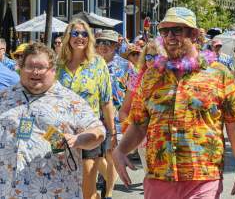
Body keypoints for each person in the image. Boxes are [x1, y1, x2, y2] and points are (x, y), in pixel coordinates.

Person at [113, 7, 235, 199]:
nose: (169, 36)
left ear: (193, 34)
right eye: (164, 31)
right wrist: (120, 150)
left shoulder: (219, 74)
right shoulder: (151, 76)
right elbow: (138, 124)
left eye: (177, 30)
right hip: (159, 177)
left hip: (203, 177)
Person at [0, 43, 105, 199]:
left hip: (56, 192)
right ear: (20, 68)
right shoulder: (5, 97)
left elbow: (98, 132)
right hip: (9, 191)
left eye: (41, 67)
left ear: (53, 70)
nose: (35, 72)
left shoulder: (70, 101)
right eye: (29, 66)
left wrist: (78, 139)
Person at [57, 19, 115, 199]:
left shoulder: (98, 64)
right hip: (61, 132)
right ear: (68, 37)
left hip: (90, 132)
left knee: (87, 187)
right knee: (62, 185)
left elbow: (106, 101)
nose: (79, 37)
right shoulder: (57, 65)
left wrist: (112, 133)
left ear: (89, 38)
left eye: (84, 34)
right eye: (75, 33)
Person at [95, 29, 135, 199]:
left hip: (117, 117)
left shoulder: (126, 66)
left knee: (111, 155)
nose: (104, 46)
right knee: (94, 155)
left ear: (116, 45)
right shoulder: (90, 64)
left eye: (108, 43)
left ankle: (108, 193)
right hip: (93, 117)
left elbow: (135, 92)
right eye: (100, 42)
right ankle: (106, 178)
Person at [119, 39, 166, 172]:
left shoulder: (174, 79)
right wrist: (131, 132)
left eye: (156, 56)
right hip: (146, 141)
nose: (151, 60)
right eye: (148, 56)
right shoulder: (136, 80)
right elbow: (123, 111)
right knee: (152, 181)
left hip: (169, 139)